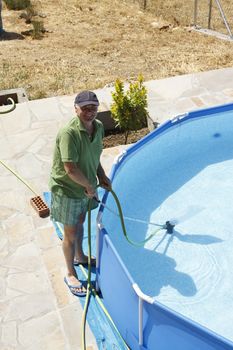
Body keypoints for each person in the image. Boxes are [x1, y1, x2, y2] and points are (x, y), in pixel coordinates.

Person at [49, 90, 111, 296]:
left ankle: (80, 256)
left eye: (93, 107)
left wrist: (101, 175)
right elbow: (70, 168)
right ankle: (70, 273)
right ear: (76, 108)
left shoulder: (99, 127)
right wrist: (90, 186)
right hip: (67, 189)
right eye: (85, 108)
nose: (89, 112)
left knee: (81, 223)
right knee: (70, 233)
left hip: (85, 187)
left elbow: (94, 156)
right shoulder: (69, 133)